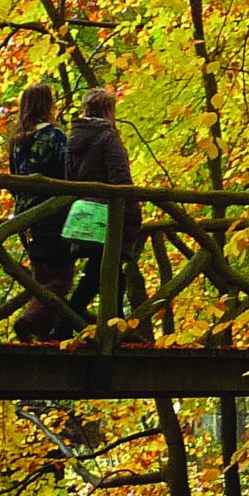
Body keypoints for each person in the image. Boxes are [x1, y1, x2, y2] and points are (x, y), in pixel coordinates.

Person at [64, 87, 141, 323]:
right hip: (109, 215)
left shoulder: (73, 141)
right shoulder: (107, 138)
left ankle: (114, 326)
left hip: (83, 213)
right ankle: (67, 322)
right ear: (108, 111)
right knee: (103, 271)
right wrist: (132, 212)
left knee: (108, 272)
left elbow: (69, 179)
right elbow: (120, 179)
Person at [7, 83, 72, 341]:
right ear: (48, 105)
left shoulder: (17, 141)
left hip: (25, 217)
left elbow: (13, 178)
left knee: (41, 278)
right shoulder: (55, 138)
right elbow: (68, 175)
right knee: (62, 278)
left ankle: (44, 336)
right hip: (53, 216)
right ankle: (29, 320)